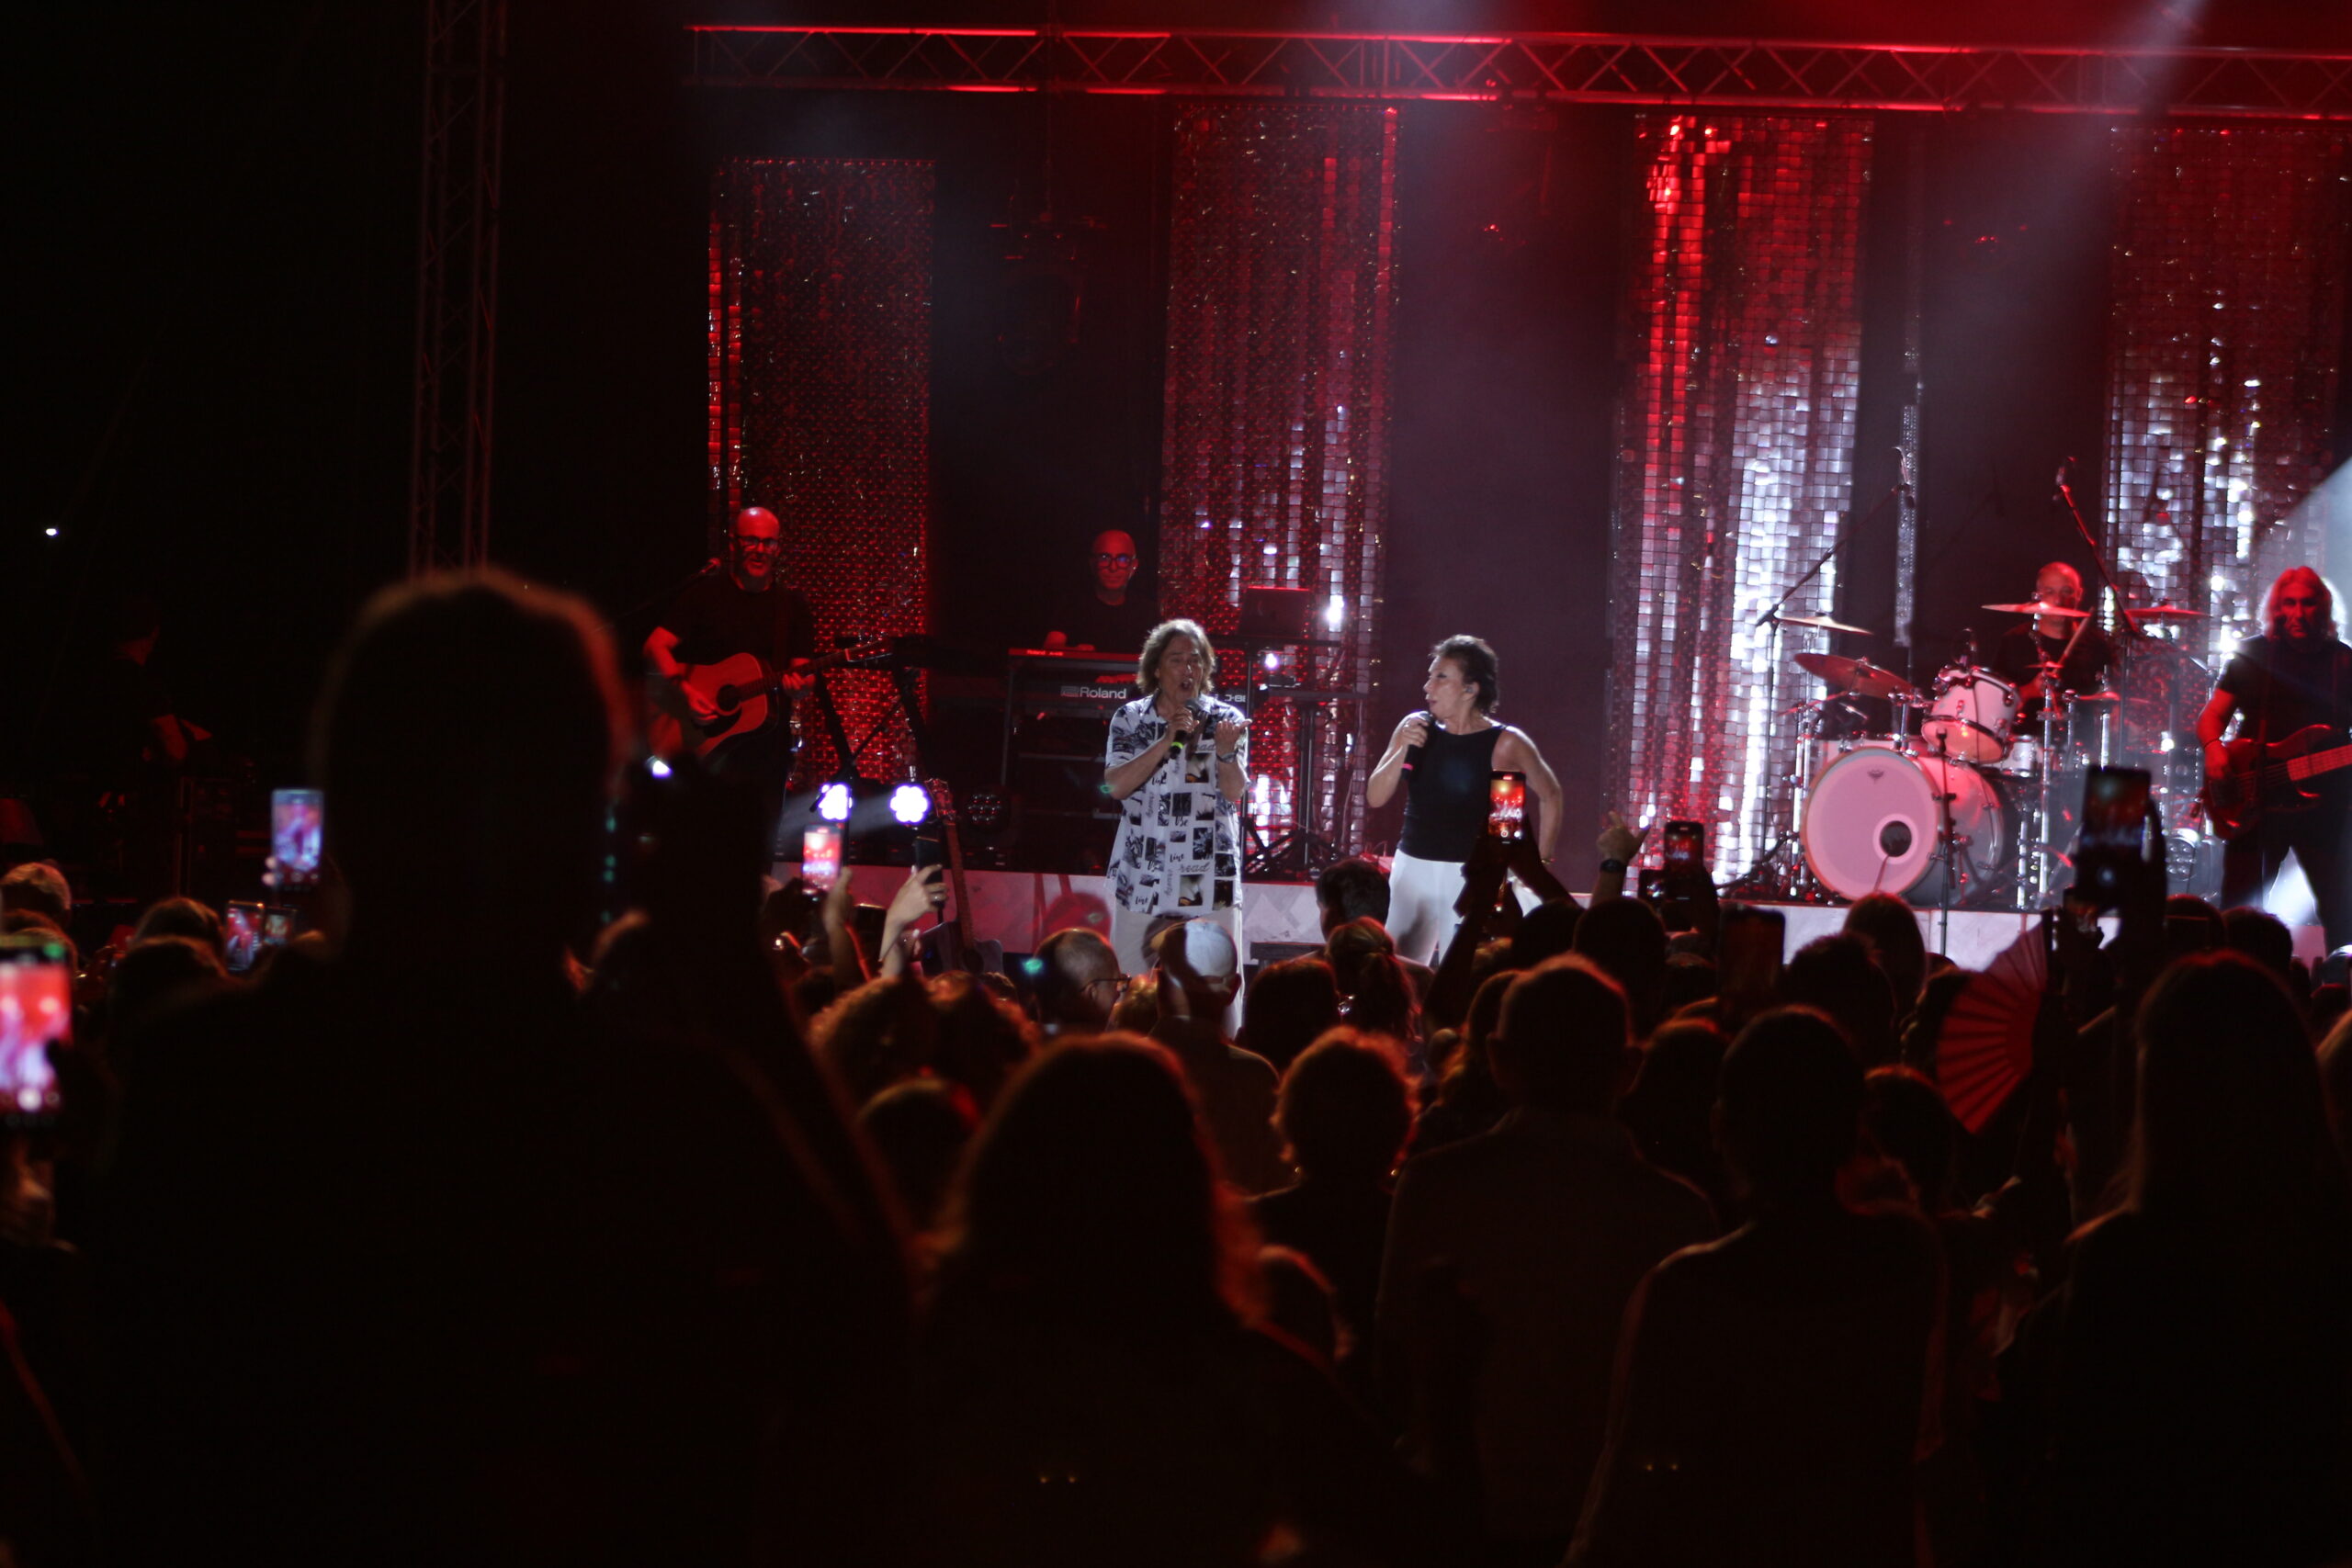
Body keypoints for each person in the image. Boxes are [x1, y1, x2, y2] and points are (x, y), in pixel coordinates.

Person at [1569, 1009, 1943, 1568]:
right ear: (1852, 1128)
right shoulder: (1906, 1257)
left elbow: (1633, 1498)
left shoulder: (1689, 1290)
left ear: (1722, 1129)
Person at [1379, 956, 1714, 1561]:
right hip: (1615, 1525)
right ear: (1628, 1069)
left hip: (1462, 1508)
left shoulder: (1434, 1185)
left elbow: (1397, 1350)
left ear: (1498, 1059)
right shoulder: (1678, 1214)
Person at [1366, 636, 1564, 965]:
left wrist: (1539, 864)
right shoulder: (1415, 727)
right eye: (1429, 676)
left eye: (1441, 677)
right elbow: (1375, 797)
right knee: (1399, 970)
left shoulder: (1506, 741)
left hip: (1469, 874)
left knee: (1461, 970)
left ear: (1470, 689)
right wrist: (1401, 746)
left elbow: (1551, 794)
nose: (1428, 686)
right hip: (1413, 867)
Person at [642, 505, 819, 845]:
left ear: (778, 548)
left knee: (755, 854)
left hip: (765, 756)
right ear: (734, 544)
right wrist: (684, 691)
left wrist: (800, 687)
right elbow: (655, 646)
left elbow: (803, 673)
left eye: (769, 543)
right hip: (706, 750)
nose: (761, 550)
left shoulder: (791, 606)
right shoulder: (704, 594)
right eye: (752, 540)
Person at [2196, 565, 2352, 949]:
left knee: (2341, 909)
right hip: (2256, 798)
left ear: (2324, 608)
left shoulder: (2344, 662)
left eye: (2308, 603)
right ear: (2277, 608)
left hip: (2325, 804)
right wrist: (2215, 749)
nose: (2298, 613)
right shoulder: (2253, 655)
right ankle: (2235, 982)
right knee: (2240, 906)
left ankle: (2339, 990)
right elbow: (2212, 717)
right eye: (2290, 604)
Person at [1102, 619, 1250, 978]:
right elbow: (1115, 787)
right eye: (1177, 659)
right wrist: (1167, 740)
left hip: (1209, 879)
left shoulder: (1225, 719)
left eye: (1196, 660)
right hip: (1143, 876)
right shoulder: (1131, 719)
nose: (1188, 669)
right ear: (1155, 668)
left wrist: (1227, 754)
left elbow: (1235, 792)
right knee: (1128, 988)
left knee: (1218, 989)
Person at [1149, 919, 1286, 1196]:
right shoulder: (1256, 1077)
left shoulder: (1121, 1067)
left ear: (1159, 983)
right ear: (1234, 989)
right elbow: (1276, 1179)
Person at [1990, 561, 2115, 719]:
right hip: (2025, 740)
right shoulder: (2014, 641)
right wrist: (2030, 690)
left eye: (2067, 591)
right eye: (2050, 592)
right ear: (2038, 596)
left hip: (2081, 740)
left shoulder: (2097, 645)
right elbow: (1993, 705)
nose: (2058, 600)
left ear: (2079, 595)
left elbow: (2109, 699)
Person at [1043, 528, 1160, 653]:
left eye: (1122, 559)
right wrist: (1075, 653)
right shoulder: (1072, 605)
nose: (1113, 567)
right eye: (1105, 558)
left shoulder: (1147, 612)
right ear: (1092, 563)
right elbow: (1050, 648)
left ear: (1134, 566)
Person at [1031, 926, 1124, 1037]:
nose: (1118, 994)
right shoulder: (1116, 1053)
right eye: (1116, 983)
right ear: (1091, 994)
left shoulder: (1014, 1046)